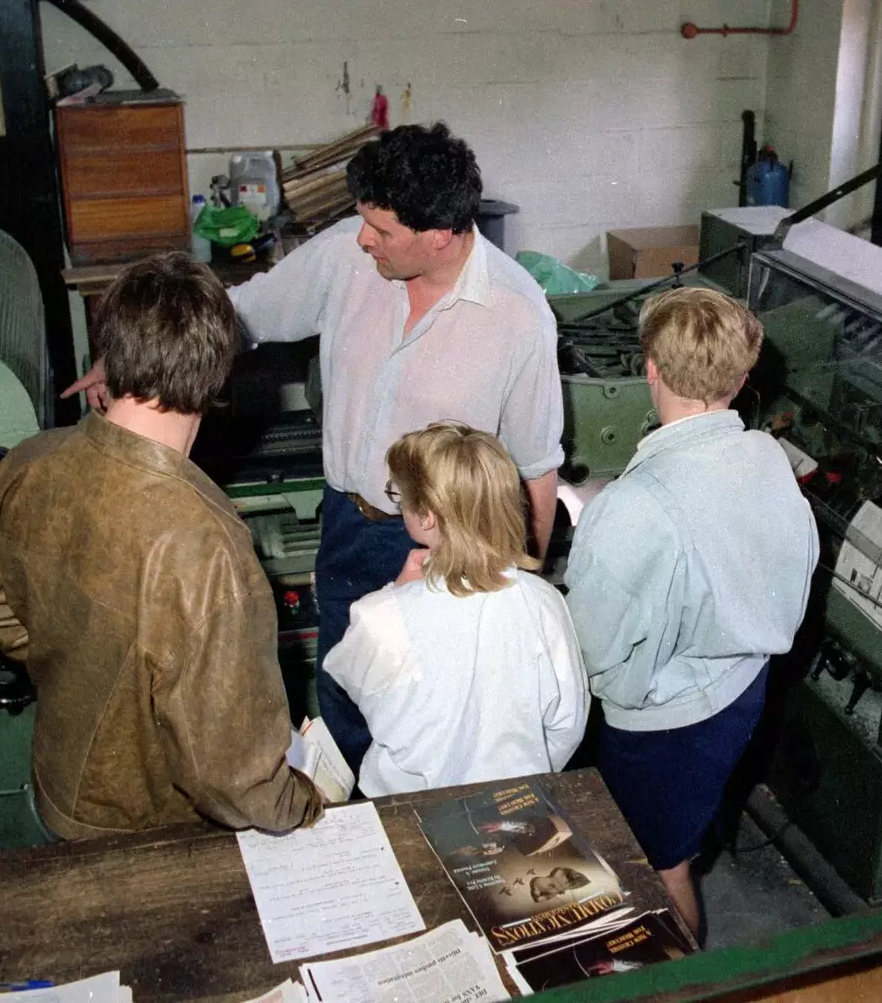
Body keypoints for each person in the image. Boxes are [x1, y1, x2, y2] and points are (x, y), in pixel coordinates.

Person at [64, 123, 563, 770]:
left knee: (429, 722)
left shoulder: (518, 316)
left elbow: (535, 466)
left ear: (440, 234)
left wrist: (524, 584)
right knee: (342, 694)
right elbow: (238, 313)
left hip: (447, 547)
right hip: (346, 524)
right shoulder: (345, 258)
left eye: (381, 231)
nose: (363, 240)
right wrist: (134, 364)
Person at [0, 253, 323, 840]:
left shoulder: (28, 462)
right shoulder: (205, 542)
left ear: (110, 353)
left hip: (57, 785)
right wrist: (303, 803)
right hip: (149, 827)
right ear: (217, 377)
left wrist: (76, 668)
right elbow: (230, 771)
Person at [563, 286, 818, 940]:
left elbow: (595, 652)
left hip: (663, 726)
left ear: (650, 370)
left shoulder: (629, 508)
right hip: (740, 689)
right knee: (677, 840)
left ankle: (671, 983)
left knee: (654, 869)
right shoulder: (767, 456)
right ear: (741, 374)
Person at [322, 423, 588, 797]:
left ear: (427, 515)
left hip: (407, 806)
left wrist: (395, 593)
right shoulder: (544, 602)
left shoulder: (382, 616)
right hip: (517, 800)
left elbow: (348, 686)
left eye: (399, 494)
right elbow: (566, 725)